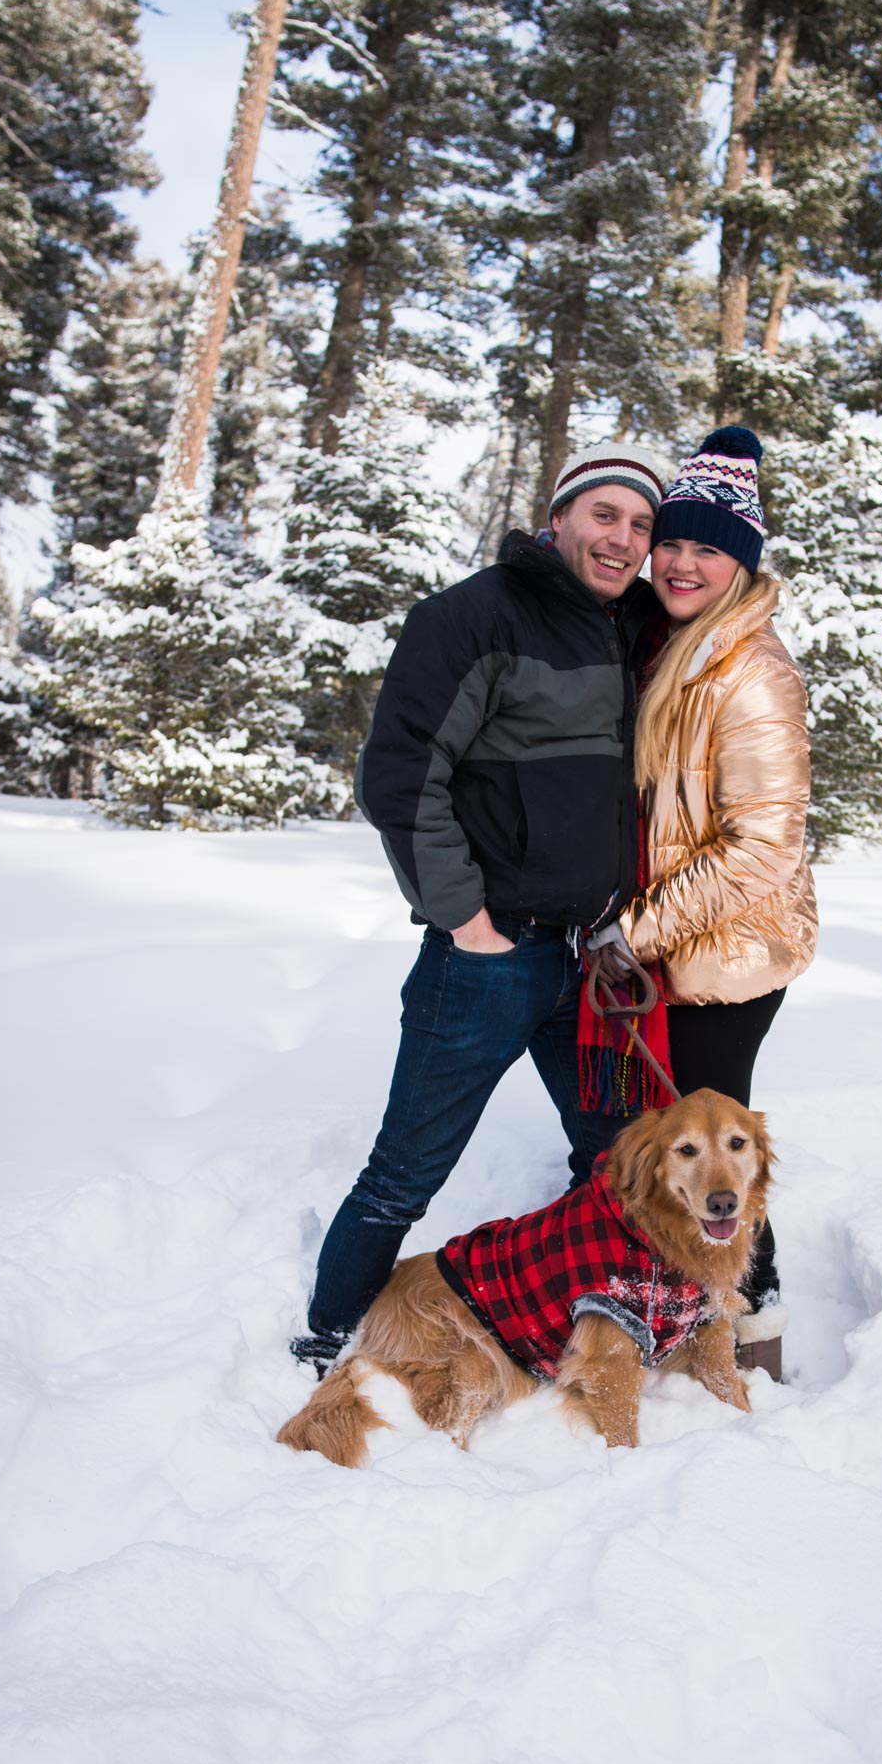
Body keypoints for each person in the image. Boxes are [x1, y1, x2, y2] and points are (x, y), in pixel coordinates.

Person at [292, 441, 666, 1374]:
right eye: (605, 514)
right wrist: (467, 921)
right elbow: (400, 776)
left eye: (640, 525)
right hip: (488, 958)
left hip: (589, 958)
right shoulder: (472, 617)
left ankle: (581, 1314)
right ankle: (326, 1339)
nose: (622, 539)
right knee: (406, 1170)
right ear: (559, 515)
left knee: (616, 1158)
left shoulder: (628, 629)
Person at [594, 426, 818, 1380]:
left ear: (742, 564)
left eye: (707, 549)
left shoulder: (752, 673)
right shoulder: (678, 645)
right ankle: (683, 1305)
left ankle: (753, 1340)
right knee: (680, 1147)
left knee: (719, 1156)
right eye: (672, 543)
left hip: (725, 959)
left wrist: (632, 932)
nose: (681, 562)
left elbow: (763, 849)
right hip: (681, 948)